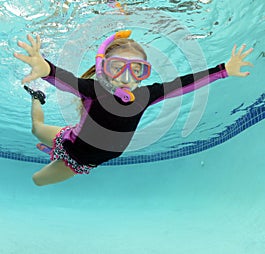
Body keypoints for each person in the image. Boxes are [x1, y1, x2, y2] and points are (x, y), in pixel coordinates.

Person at [13, 30, 253, 186]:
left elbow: (184, 84)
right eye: (117, 67)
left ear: (143, 73)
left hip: (78, 160)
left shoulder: (145, 95)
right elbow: (66, 80)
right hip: (71, 140)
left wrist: (223, 69)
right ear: (103, 69)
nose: (126, 77)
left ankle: (54, 152)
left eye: (136, 69)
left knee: (37, 180)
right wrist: (46, 69)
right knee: (37, 129)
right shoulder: (95, 90)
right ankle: (37, 97)